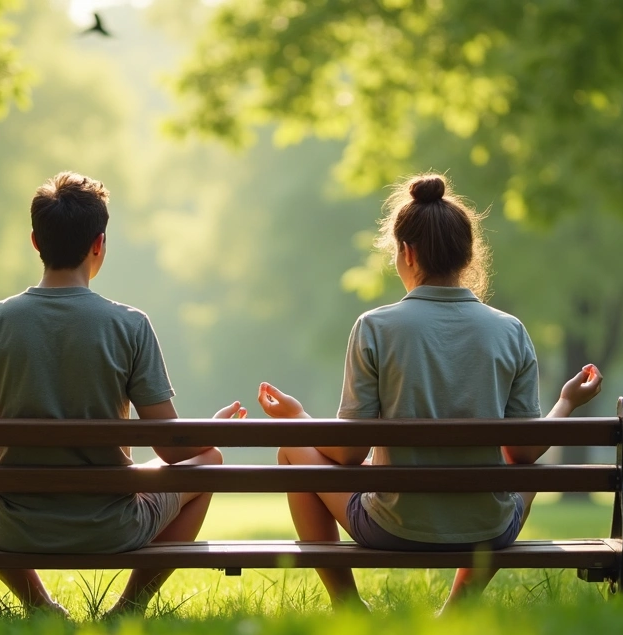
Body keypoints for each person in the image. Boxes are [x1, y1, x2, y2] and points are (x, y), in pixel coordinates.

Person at [255, 172, 603, 612]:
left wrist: (297, 420)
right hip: (488, 531)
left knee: (292, 448)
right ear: (468, 254)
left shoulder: (375, 328)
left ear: (407, 251)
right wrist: (567, 402)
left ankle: (348, 605)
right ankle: (457, 608)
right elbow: (524, 454)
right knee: (523, 483)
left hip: (392, 526)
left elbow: (346, 455)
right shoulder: (509, 331)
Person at [0, 171, 244, 618]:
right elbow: (170, 451)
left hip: (14, 527)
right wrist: (206, 436)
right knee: (209, 462)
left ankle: (40, 605)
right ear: (98, 243)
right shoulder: (130, 326)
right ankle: (129, 608)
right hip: (114, 527)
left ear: (35, 242)